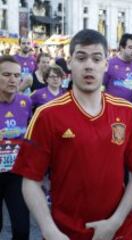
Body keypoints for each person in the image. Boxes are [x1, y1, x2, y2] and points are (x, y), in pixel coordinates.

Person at [12, 29, 132, 240]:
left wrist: (115, 221)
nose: (89, 65)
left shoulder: (128, 113)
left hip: (117, 231)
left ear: (106, 64)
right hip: (63, 233)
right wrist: (49, 230)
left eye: (96, 58)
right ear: (69, 63)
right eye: (81, 57)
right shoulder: (47, 115)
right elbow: (30, 180)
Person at [0, 55, 32, 239]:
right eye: (6, 74)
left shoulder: (25, 102)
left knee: (21, 229)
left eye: (16, 75)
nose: (13, 79)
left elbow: (30, 135)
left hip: (17, 175)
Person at [104, 33, 132, 107]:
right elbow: (101, 87)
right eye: (130, 47)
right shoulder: (109, 64)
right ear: (121, 48)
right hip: (114, 110)